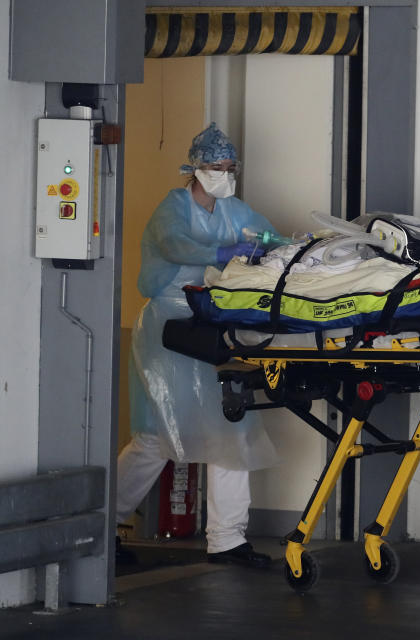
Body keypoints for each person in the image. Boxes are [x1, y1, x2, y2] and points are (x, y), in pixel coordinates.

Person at [116, 123, 278, 568]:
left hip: (211, 323)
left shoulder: (234, 211)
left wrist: (288, 249)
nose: (223, 174)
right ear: (195, 168)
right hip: (168, 328)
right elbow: (174, 244)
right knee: (156, 435)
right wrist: (222, 254)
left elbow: (270, 238)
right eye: (214, 167)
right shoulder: (171, 210)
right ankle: (99, 528)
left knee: (231, 425)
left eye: (229, 168)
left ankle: (228, 539)